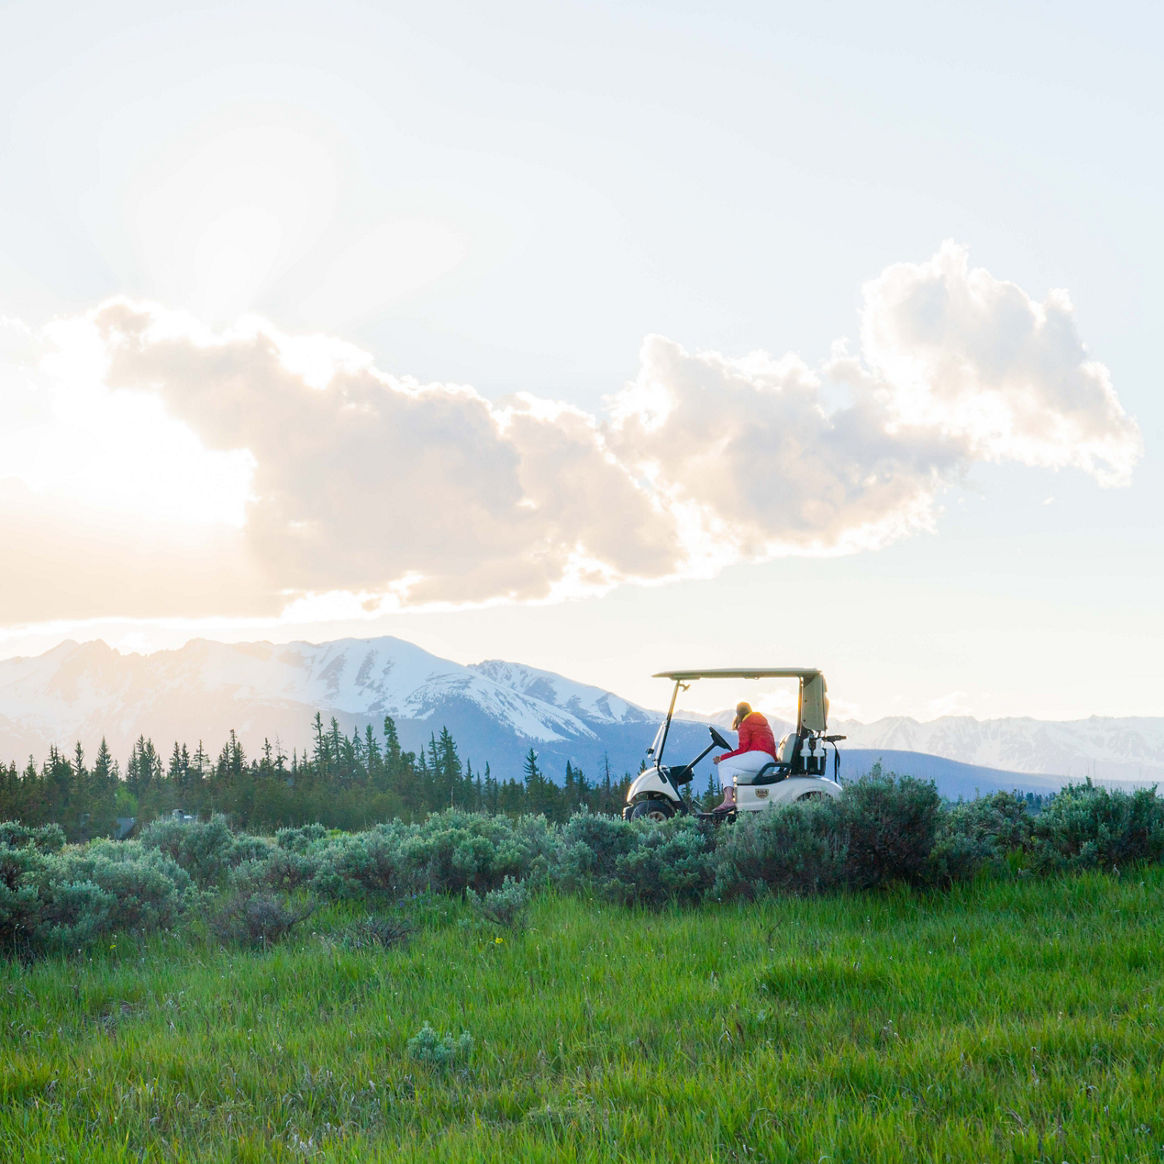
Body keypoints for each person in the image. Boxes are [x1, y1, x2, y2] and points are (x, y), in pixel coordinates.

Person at [711, 702, 777, 813]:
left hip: (758, 758)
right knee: (728, 769)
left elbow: (743, 750)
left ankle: (728, 800)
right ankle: (732, 799)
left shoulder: (746, 723)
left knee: (723, 765)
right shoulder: (762, 722)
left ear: (738, 713)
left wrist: (722, 757)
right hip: (769, 762)